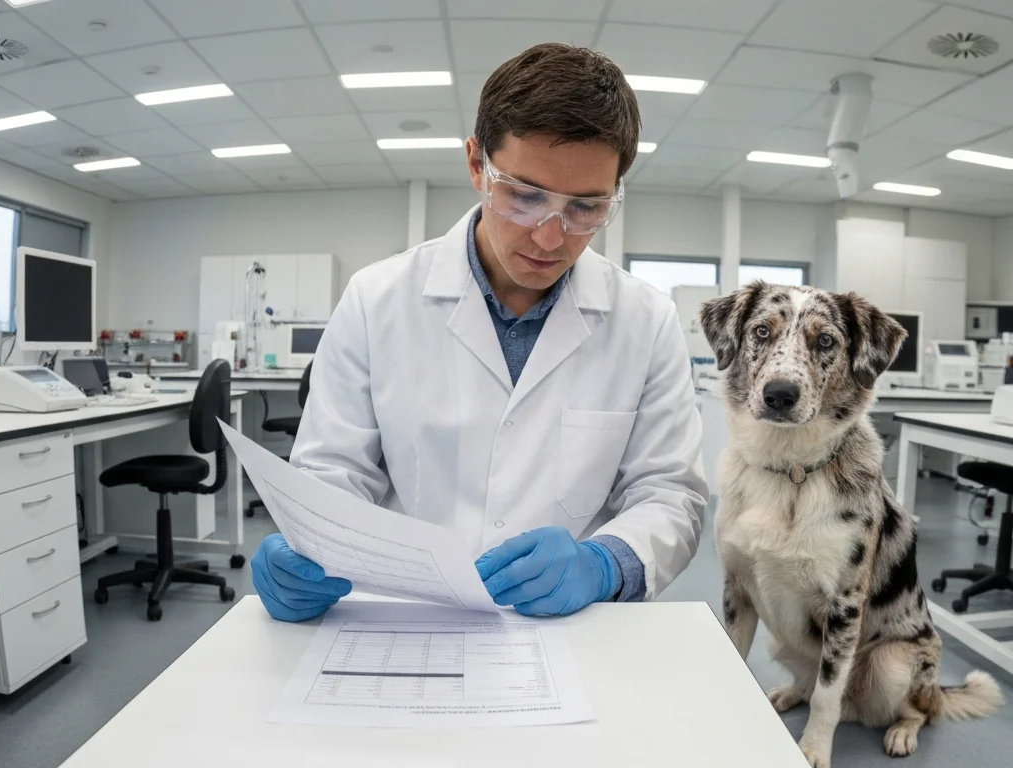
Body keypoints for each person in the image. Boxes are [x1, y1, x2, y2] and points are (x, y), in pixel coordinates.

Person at [251, 43, 708, 622]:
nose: (550, 237)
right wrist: (308, 544)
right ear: (476, 166)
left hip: (573, 628)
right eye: (523, 195)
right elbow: (333, 471)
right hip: (407, 617)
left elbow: (671, 493)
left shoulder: (646, 319)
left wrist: (605, 563)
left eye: (586, 208)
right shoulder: (376, 299)